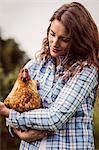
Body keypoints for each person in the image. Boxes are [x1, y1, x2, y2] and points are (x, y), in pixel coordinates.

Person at [0, 2, 99, 150]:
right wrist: (16, 131)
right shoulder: (34, 66)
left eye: (64, 39)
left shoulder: (86, 70)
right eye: (52, 34)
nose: (54, 43)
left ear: (79, 40)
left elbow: (54, 118)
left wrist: (9, 114)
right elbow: (13, 105)